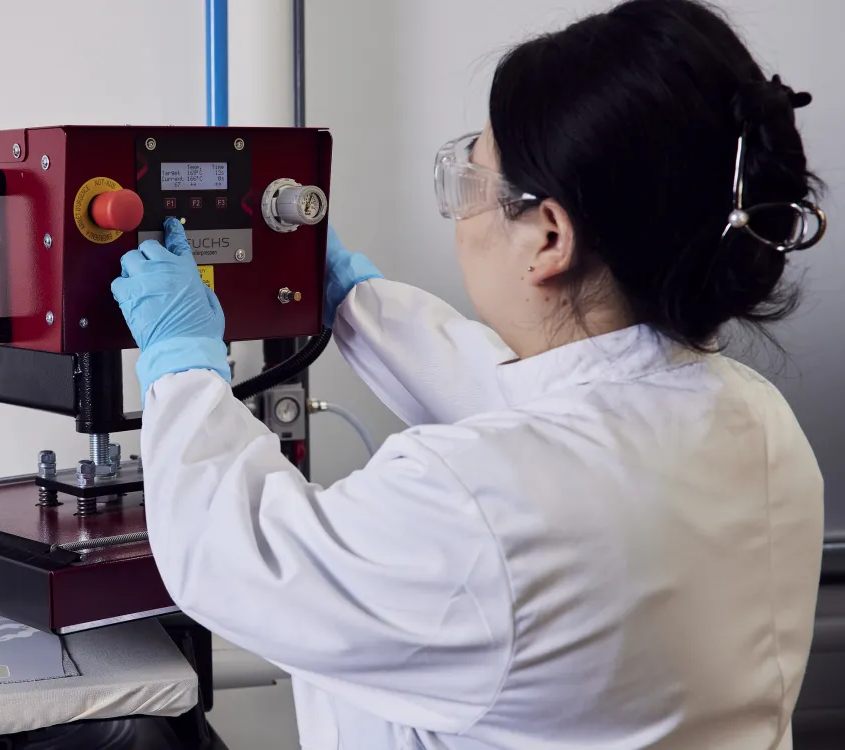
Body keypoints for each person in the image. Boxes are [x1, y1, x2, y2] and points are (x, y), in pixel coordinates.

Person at [110, 0, 827, 747]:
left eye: (471, 182)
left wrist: (181, 364)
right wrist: (355, 301)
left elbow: (236, 557)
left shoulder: (472, 505)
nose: (460, 210)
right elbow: (543, 414)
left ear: (549, 236)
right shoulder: (757, 421)